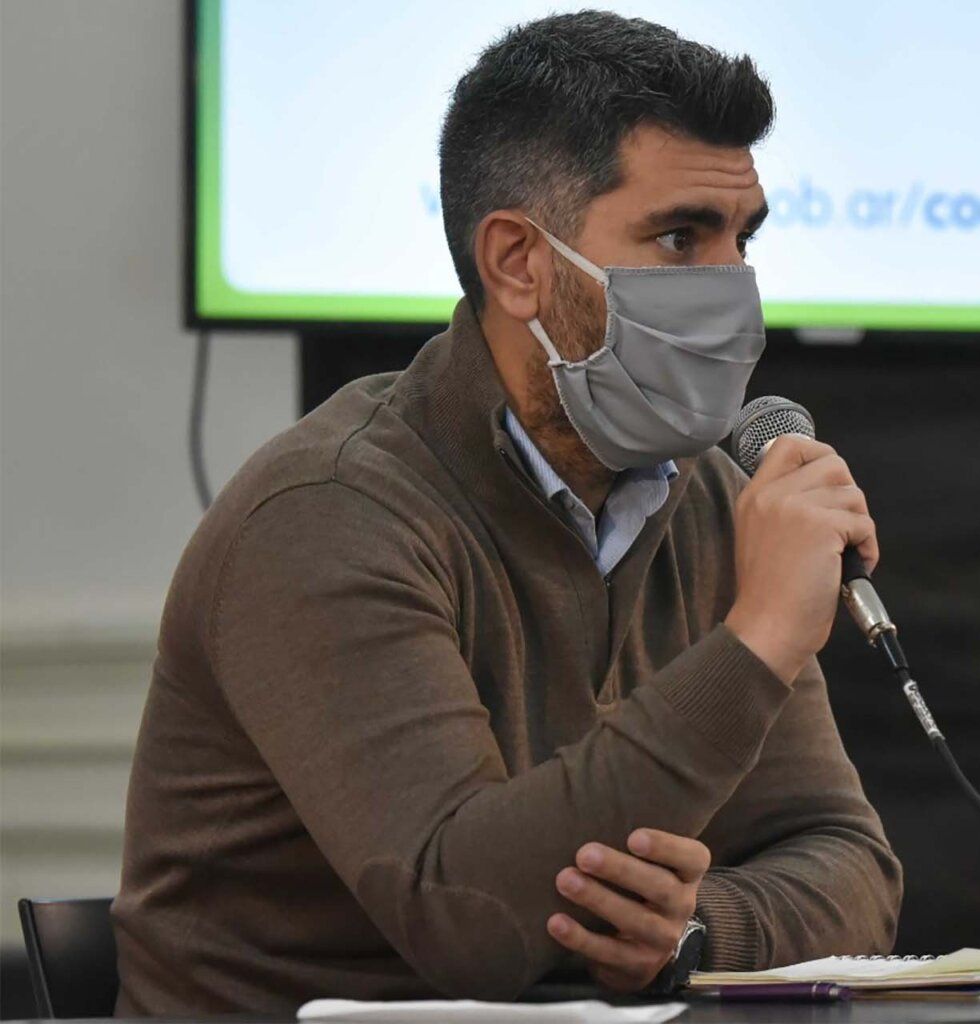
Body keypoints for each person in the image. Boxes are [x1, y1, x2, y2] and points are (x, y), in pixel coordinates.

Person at [111, 10, 901, 1015]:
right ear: (519, 263)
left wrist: (692, 927)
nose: (734, 287)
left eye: (742, 239)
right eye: (680, 237)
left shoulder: (706, 497)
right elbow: (470, 923)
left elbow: (854, 868)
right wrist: (758, 644)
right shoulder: (327, 513)